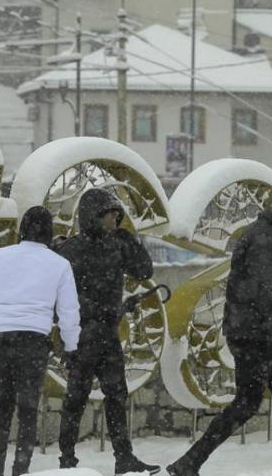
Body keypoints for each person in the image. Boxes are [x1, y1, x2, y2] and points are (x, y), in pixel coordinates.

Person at [167, 185, 272, 476]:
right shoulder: (268, 241)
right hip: (259, 334)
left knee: (256, 400)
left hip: (252, 332)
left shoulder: (266, 235)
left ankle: (190, 462)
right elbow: (266, 290)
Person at [0, 206, 80, 476]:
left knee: (3, 406)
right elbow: (68, 311)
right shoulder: (59, 264)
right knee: (28, 409)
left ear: (22, 228)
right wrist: (71, 346)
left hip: (2, 338)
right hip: (34, 342)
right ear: (49, 231)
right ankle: (21, 469)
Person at [55, 188, 160, 476]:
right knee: (76, 399)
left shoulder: (117, 244)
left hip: (107, 334)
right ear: (93, 216)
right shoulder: (70, 250)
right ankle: (67, 461)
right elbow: (55, 294)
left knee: (116, 396)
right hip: (82, 335)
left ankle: (123, 458)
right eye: (109, 214)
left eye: (117, 214)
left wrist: (130, 240)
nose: (115, 219)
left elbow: (144, 271)